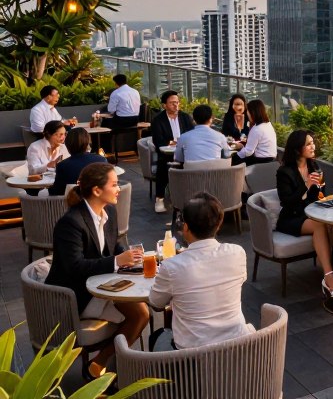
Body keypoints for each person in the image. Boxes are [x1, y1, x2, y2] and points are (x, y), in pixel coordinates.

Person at [46, 163, 149, 380]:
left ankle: (97, 364)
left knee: (141, 312)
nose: (119, 188)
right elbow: (75, 267)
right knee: (139, 314)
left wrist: (130, 258)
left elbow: (112, 246)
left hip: (101, 285)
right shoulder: (71, 223)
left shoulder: (108, 211)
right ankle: (103, 367)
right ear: (96, 191)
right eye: (114, 184)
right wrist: (116, 261)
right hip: (76, 295)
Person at [148, 192, 251, 349]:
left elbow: (156, 303)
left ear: (186, 227)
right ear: (219, 224)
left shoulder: (172, 267)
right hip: (235, 348)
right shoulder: (237, 253)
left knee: (157, 337)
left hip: (192, 357)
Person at [275, 130, 333, 296]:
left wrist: (322, 193)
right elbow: (287, 202)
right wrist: (306, 186)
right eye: (309, 144)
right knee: (320, 224)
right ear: (298, 149)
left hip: (310, 213)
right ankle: (329, 277)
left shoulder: (315, 167)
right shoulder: (284, 172)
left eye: (313, 142)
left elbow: (318, 197)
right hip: (292, 217)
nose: (313, 146)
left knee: (327, 224)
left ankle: (324, 265)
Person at [149, 90, 195, 213]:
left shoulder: (185, 117)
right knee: (163, 165)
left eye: (177, 102)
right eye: (172, 103)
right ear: (164, 105)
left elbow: (192, 134)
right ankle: (159, 198)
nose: (176, 105)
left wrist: (176, 142)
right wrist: (174, 142)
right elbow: (158, 141)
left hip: (185, 152)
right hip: (166, 153)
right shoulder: (158, 120)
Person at [49, 127, 107, 196]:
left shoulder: (62, 166)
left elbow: (57, 192)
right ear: (88, 142)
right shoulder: (101, 160)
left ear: (68, 145)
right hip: (98, 202)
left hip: (72, 204)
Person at [231, 99, 276, 166]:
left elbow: (249, 151)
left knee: (233, 161)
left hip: (260, 160)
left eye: (248, 112)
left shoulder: (257, 129)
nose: (247, 114)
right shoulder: (268, 125)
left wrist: (234, 156)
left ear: (253, 112)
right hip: (272, 159)